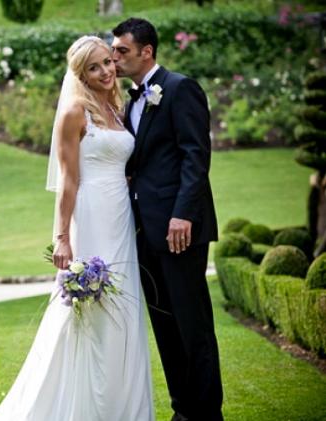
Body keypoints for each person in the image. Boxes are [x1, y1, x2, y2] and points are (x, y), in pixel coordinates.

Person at [0, 35, 154, 420]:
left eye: (107, 63)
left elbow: (123, 165)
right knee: (91, 306)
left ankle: (121, 407)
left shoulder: (117, 108)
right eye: (93, 68)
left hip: (121, 216)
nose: (105, 72)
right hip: (91, 214)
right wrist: (61, 237)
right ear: (80, 74)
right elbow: (68, 181)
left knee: (123, 308)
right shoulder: (74, 113)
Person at [111, 18, 223, 421]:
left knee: (193, 327)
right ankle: (184, 409)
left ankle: (208, 413)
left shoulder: (179, 89)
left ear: (147, 51)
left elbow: (196, 156)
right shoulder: (130, 100)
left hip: (180, 230)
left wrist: (182, 215)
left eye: (122, 51)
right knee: (165, 326)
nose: (115, 57)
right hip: (144, 232)